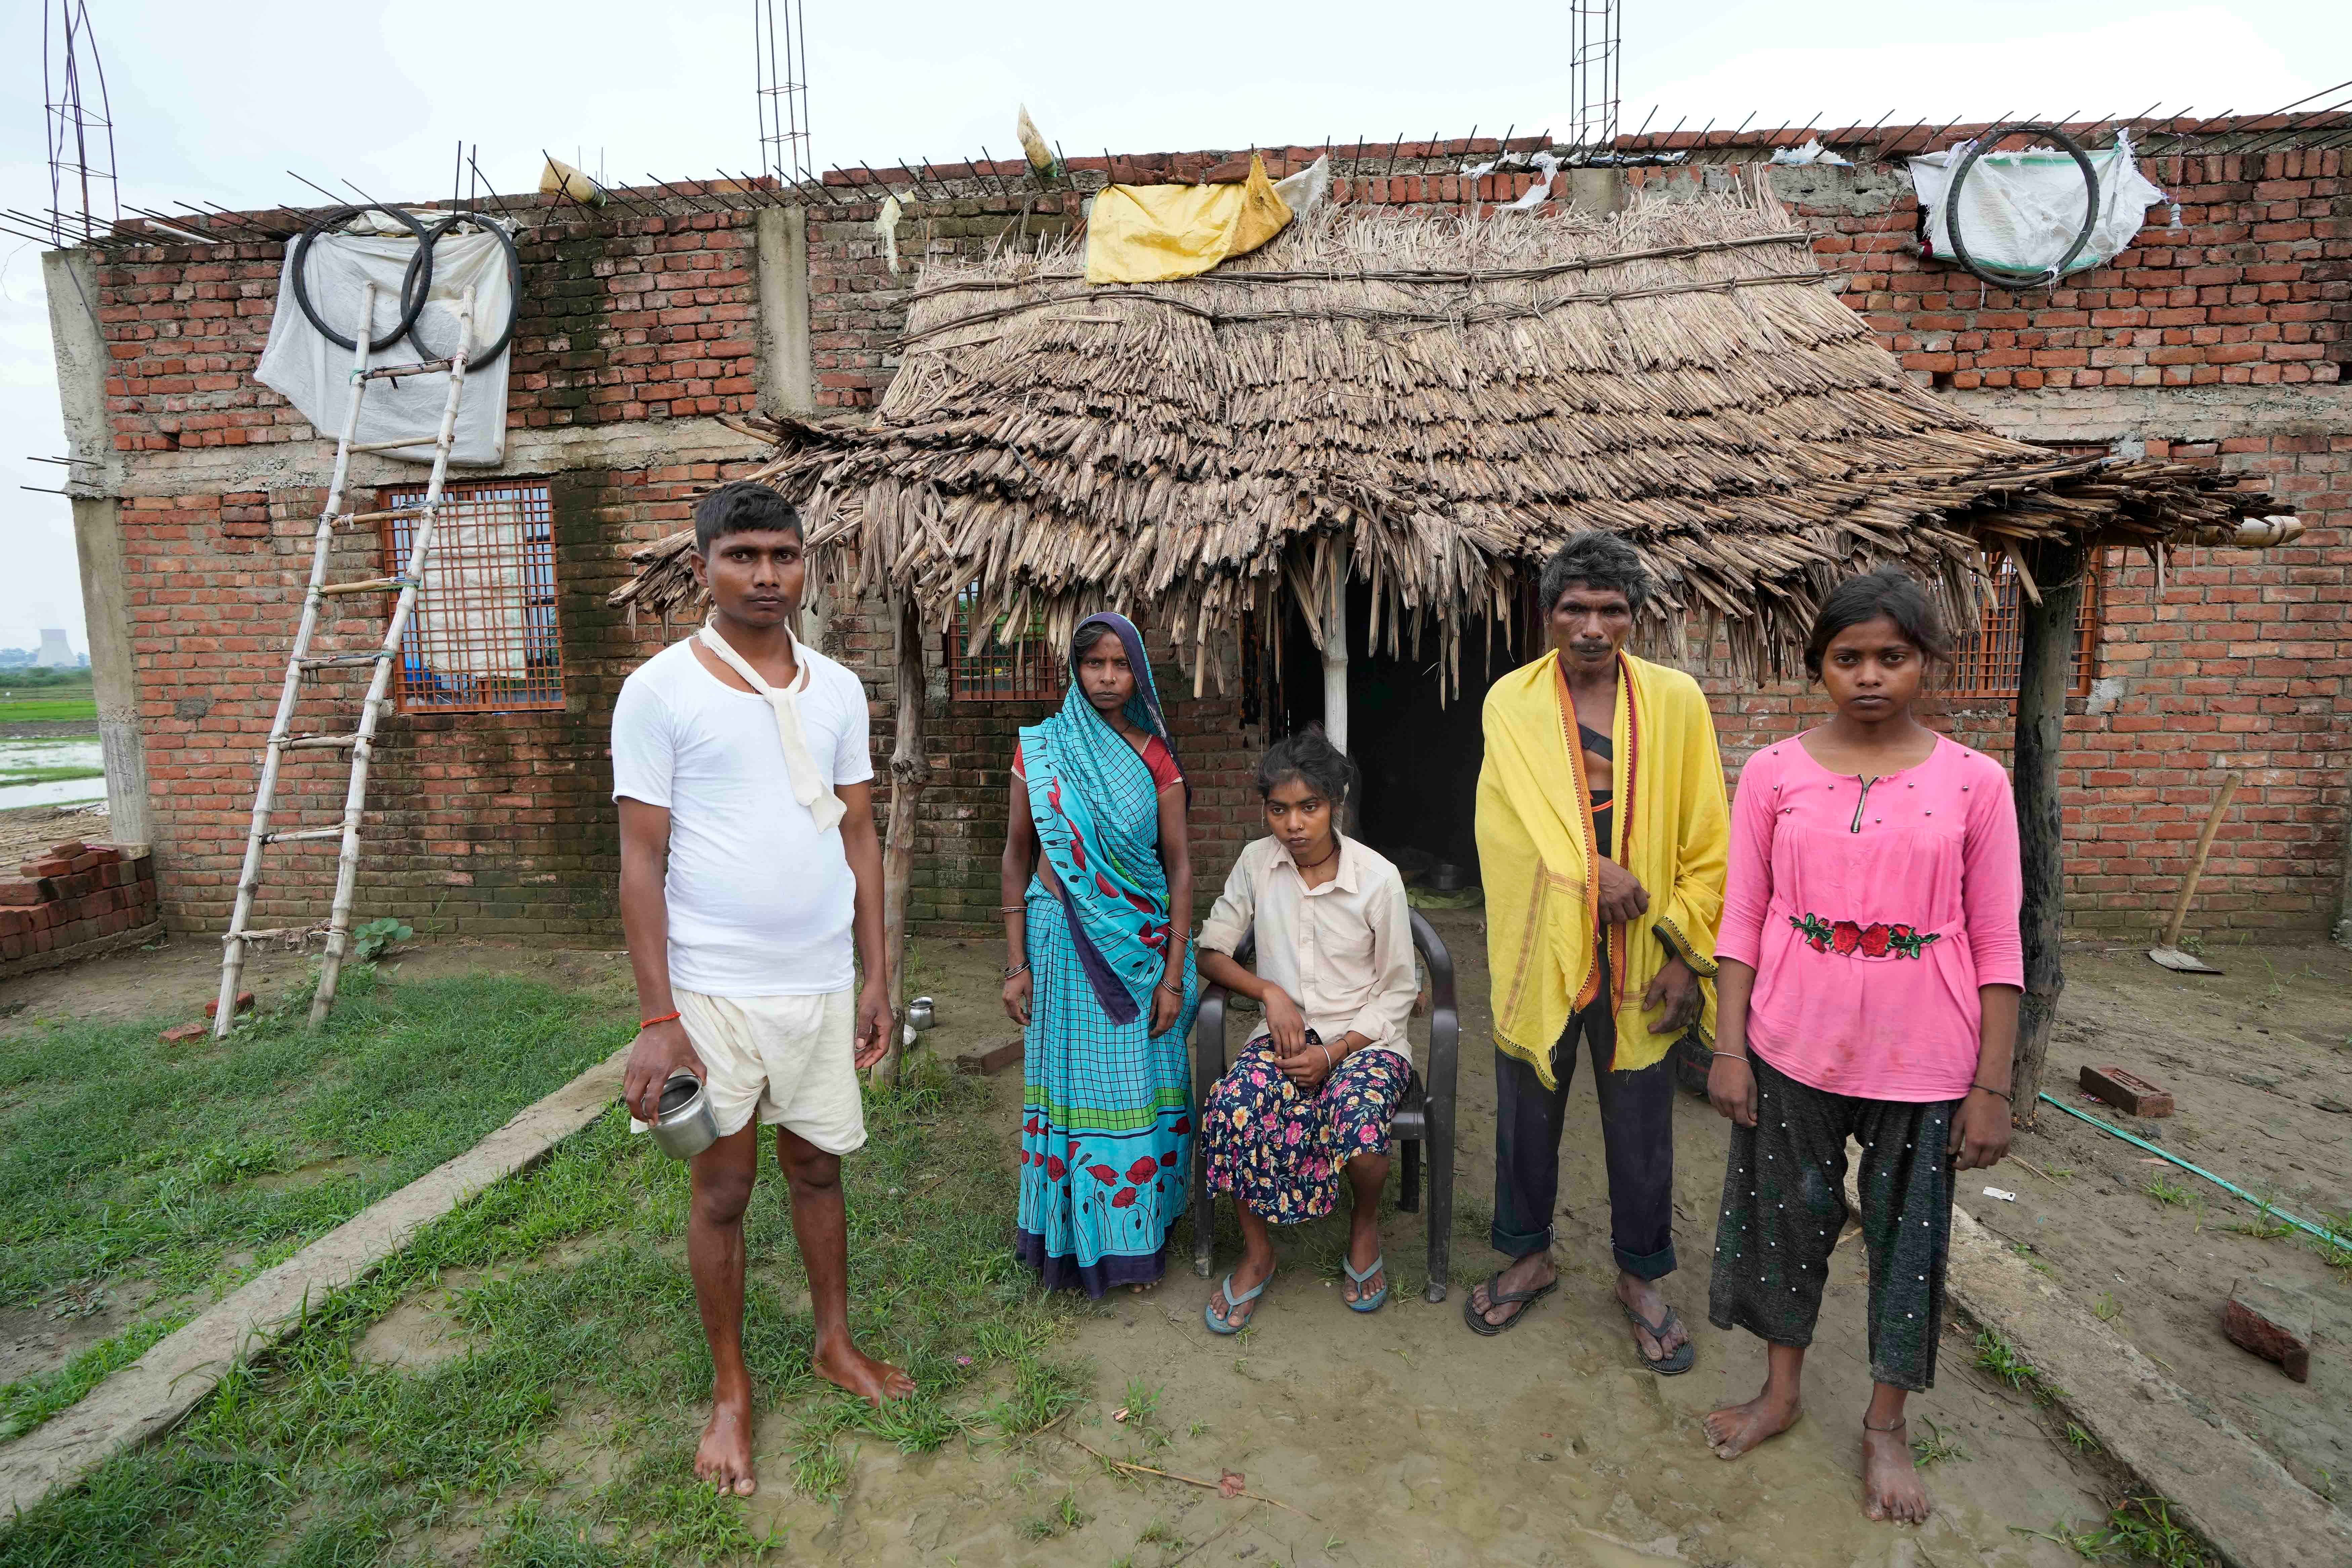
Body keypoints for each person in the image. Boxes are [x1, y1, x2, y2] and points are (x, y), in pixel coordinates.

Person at [1701, 566, 2021, 1525]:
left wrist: (1992, 1085)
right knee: (1783, 1226)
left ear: (1927, 662)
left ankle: (1886, 1424)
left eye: (1894, 656)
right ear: (1819, 665)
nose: (1871, 675)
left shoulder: (1976, 781)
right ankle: (1782, 1391)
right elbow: (1743, 916)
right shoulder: (1772, 773)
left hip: (1926, 1060)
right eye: (1850, 657)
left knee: (1905, 1243)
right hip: (1790, 1045)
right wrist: (1727, 1048)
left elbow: (2002, 937)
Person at [614, 480, 913, 1499]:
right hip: (715, 993)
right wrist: (661, 1019)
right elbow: (639, 863)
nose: (767, 574)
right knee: (725, 1188)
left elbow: (859, 832)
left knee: (820, 1172)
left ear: (804, 565)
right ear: (702, 566)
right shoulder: (660, 691)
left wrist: (877, 973)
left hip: (822, 983)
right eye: (743, 555)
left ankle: (835, 1341)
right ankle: (732, 1390)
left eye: (783, 555)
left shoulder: (837, 689)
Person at [1468, 533, 1729, 1373]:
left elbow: (1707, 838)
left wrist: (1687, 957)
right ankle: (1527, 1254)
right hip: (1542, 950)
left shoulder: (1677, 701)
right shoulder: (1509, 703)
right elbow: (1504, 835)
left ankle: (1640, 1275)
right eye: (1574, 609)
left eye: (1610, 610)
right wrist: (1590, 877)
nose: (1591, 626)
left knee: (1643, 1125)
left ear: (1632, 619)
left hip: (1645, 955)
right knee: (1525, 1115)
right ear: (1547, 616)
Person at [1000, 612, 1200, 1296]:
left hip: (1139, 952)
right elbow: (1015, 854)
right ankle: (1070, 1237)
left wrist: (1173, 974)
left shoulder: (1154, 757)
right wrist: (1015, 962)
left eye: (1120, 665)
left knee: (1135, 1091)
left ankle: (1137, 1238)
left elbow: (1177, 869)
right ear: (1074, 671)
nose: (1108, 678)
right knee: (1071, 1092)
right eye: (1094, 665)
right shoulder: (1041, 750)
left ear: (1137, 672)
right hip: (1059, 945)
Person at [1195, 729, 1421, 1332]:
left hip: (1366, 1041)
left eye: (1309, 807)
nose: (1293, 824)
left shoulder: (1378, 879)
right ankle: (1259, 1252)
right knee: (1235, 1104)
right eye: (1279, 809)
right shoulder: (1256, 863)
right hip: (1287, 1037)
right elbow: (1212, 951)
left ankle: (1364, 1223)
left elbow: (1401, 989)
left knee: (1359, 1119)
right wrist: (1269, 992)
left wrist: (1340, 1051)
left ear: (1336, 804)